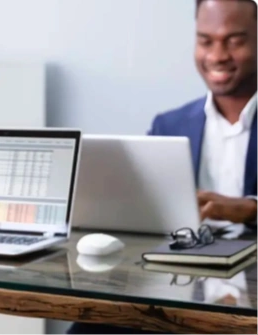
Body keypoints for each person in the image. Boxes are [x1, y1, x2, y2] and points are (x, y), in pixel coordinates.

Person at [69, 0, 258, 334]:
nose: (216, 56)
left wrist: (249, 208)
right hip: (174, 285)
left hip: (249, 297)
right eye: (205, 40)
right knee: (91, 324)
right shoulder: (169, 124)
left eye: (234, 41)